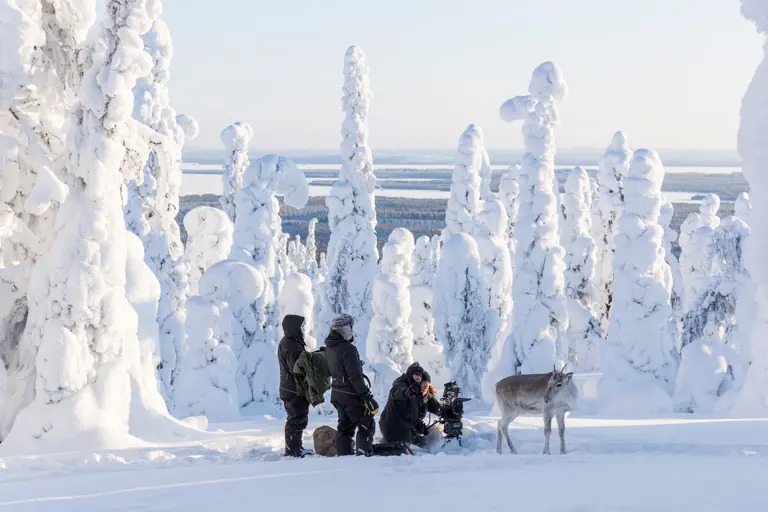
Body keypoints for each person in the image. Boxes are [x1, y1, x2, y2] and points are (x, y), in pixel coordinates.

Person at [325, 314, 379, 456]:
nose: (352, 330)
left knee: (345, 427)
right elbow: (354, 376)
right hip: (350, 395)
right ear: (344, 329)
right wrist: (366, 396)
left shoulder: (330, 348)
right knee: (366, 423)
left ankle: (344, 456)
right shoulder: (348, 349)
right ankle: (363, 455)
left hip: (337, 393)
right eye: (350, 327)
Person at [379, 362, 442, 448]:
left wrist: (418, 426)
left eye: (427, 384)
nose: (425, 386)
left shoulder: (422, 396)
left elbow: (438, 409)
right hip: (394, 428)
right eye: (416, 376)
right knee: (419, 447)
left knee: (426, 442)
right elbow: (396, 393)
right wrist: (407, 392)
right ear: (410, 376)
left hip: (407, 431)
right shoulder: (402, 385)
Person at [278, 314, 313, 457]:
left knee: (297, 418)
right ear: (294, 327)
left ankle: (296, 447)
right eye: (301, 326)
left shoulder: (292, 342)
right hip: (294, 389)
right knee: (296, 419)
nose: (303, 329)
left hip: (291, 387)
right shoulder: (290, 345)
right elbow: (297, 367)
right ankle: (293, 451)